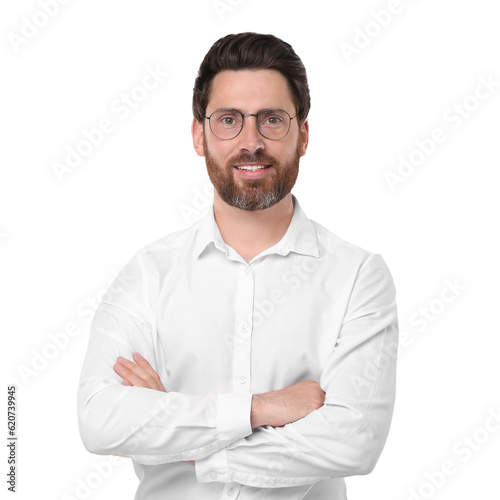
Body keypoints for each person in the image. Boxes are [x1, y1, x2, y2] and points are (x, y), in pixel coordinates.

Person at [77, 32, 399, 500]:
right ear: (198, 134)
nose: (251, 142)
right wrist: (261, 409)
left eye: (272, 120)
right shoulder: (148, 275)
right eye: (228, 120)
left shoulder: (358, 277)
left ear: (302, 135)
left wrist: (183, 435)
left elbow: (353, 441)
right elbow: (100, 420)